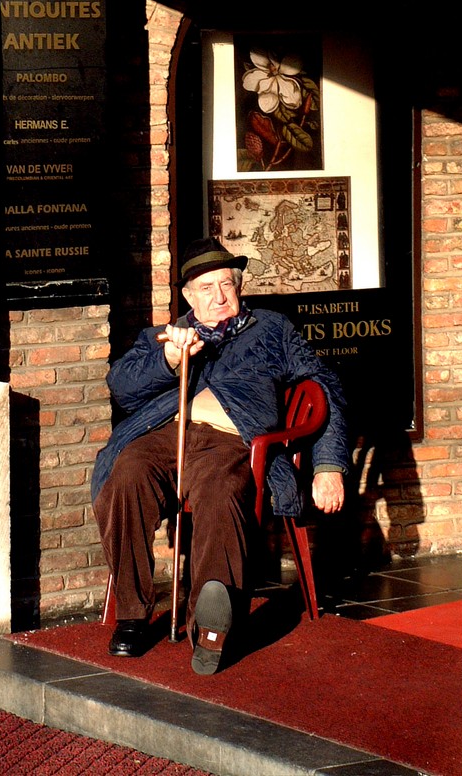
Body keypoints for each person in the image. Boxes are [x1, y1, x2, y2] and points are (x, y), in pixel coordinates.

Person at [91, 237, 349, 675]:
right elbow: (122, 387)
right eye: (206, 288)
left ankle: (211, 628)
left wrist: (328, 466)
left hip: (232, 440)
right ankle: (133, 615)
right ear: (189, 296)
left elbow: (326, 388)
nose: (218, 296)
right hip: (163, 435)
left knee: (221, 491)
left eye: (226, 284)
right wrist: (170, 357)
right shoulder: (166, 335)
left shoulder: (272, 329)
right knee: (125, 473)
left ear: (239, 286)